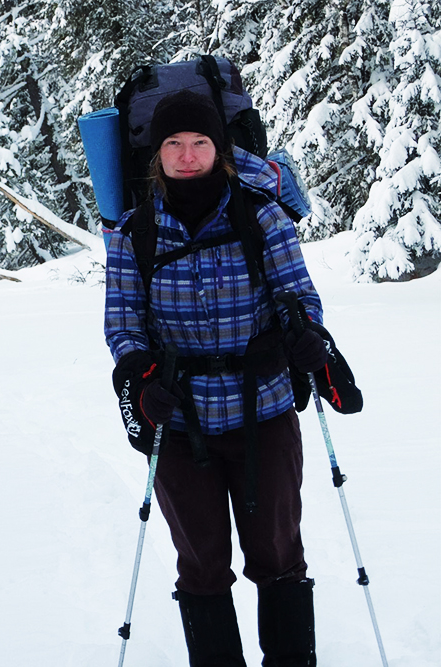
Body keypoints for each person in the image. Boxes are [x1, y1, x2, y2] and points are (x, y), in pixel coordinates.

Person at [103, 90, 327, 667]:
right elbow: (123, 324)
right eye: (173, 144)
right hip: (180, 423)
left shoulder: (262, 215)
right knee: (200, 563)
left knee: (277, 552)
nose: (186, 155)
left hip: (266, 415)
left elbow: (298, 296)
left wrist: (304, 333)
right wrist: (140, 374)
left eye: (199, 142)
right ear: (157, 154)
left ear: (219, 150)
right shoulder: (135, 233)